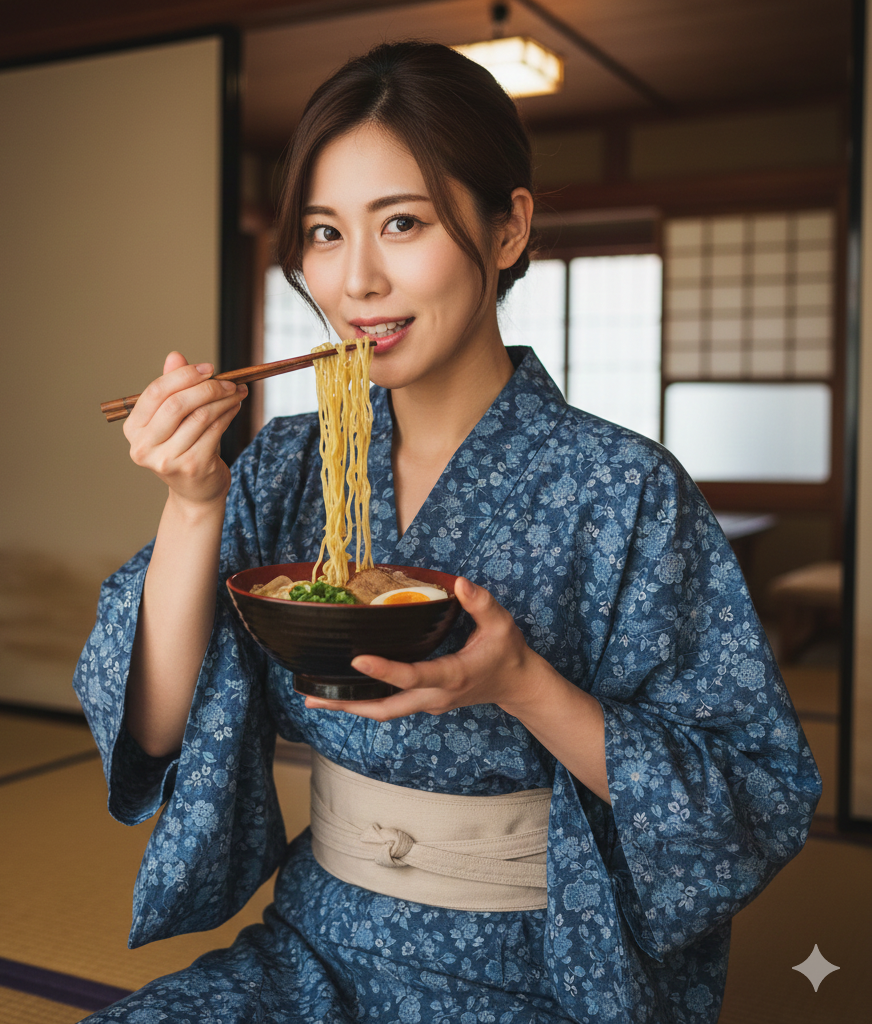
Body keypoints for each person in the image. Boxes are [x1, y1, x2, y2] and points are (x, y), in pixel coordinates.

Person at [74, 41, 821, 1024]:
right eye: (324, 233)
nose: (357, 280)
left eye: (402, 223)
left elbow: (744, 798)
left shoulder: (625, 488)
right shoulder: (287, 462)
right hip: (316, 945)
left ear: (507, 227)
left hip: (547, 967)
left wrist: (525, 684)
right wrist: (193, 504)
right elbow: (158, 726)